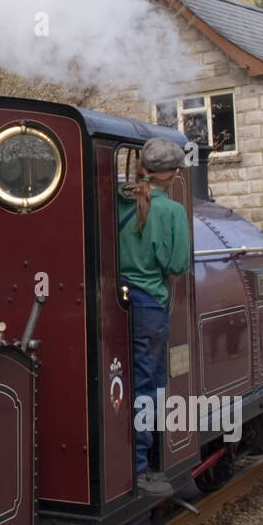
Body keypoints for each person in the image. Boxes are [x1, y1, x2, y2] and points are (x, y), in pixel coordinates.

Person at [117, 137, 191, 498]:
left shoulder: (117, 201)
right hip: (149, 305)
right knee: (147, 387)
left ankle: (119, 458)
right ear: (174, 174)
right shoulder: (172, 211)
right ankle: (141, 468)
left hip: (113, 302)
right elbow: (176, 265)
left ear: (141, 167)